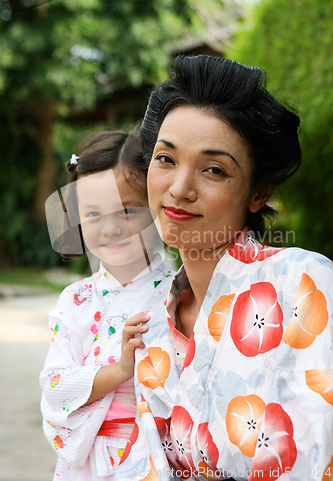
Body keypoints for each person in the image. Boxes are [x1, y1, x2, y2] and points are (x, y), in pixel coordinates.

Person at [113, 56, 333, 481]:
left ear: (258, 192)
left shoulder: (302, 284)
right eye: (165, 159)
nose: (179, 189)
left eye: (214, 169)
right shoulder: (151, 322)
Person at [40, 131, 175, 480]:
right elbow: (55, 385)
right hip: (84, 463)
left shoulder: (178, 292)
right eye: (94, 214)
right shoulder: (75, 300)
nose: (112, 228)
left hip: (151, 454)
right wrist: (119, 370)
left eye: (128, 210)